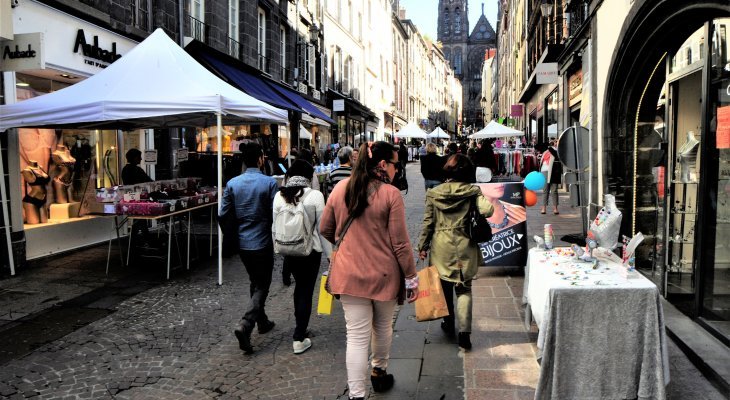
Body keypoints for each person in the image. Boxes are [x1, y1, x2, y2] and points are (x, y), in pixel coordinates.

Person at [320, 141, 419, 400]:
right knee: (383, 325)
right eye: (397, 164)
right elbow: (400, 243)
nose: (398, 169)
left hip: (349, 274)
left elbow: (325, 229)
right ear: (384, 165)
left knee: (355, 336)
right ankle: (379, 372)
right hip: (384, 275)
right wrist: (411, 276)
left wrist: (348, 246)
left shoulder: (341, 188)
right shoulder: (390, 194)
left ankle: (356, 395)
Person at [417, 154, 494, 350]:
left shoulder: (434, 193)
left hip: (441, 246)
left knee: (443, 287)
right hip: (465, 244)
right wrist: (478, 195)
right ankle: (464, 334)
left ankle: (448, 322)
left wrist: (422, 246)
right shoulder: (471, 191)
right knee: (464, 288)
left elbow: (428, 222)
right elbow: (488, 211)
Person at [220, 142, 278, 354]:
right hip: (262, 240)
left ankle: (261, 321)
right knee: (263, 283)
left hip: (243, 242)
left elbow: (222, 213)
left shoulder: (233, 184)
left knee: (256, 280)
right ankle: (246, 324)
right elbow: (275, 213)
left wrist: (231, 234)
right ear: (261, 159)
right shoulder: (269, 182)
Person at [273, 160, 329, 354]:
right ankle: (299, 337)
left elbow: (275, 227)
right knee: (306, 290)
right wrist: (331, 257)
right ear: (309, 176)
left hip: (288, 250)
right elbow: (323, 231)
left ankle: (301, 328)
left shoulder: (279, 197)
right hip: (310, 251)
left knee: (300, 289)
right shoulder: (315, 196)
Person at [121, 149, 152, 244]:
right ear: (134, 158)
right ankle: (144, 239)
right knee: (140, 217)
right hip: (137, 197)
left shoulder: (125, 170)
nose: (141, 159)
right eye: (139, 157)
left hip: (130, 198)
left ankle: (136, 239)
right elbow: (149, 181)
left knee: (138, 218)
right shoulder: (137, 170)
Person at [540, 140, 562, 214]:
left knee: (554, 190)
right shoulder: (546, 152)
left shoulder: (557, 151)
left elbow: (557, 156)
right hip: (545, 171)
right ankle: (544, 208)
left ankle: (555, 208)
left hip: (555, 172)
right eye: (554, 142)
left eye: (556, 142)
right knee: (545, 190)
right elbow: (542, 162)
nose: (555, 144)